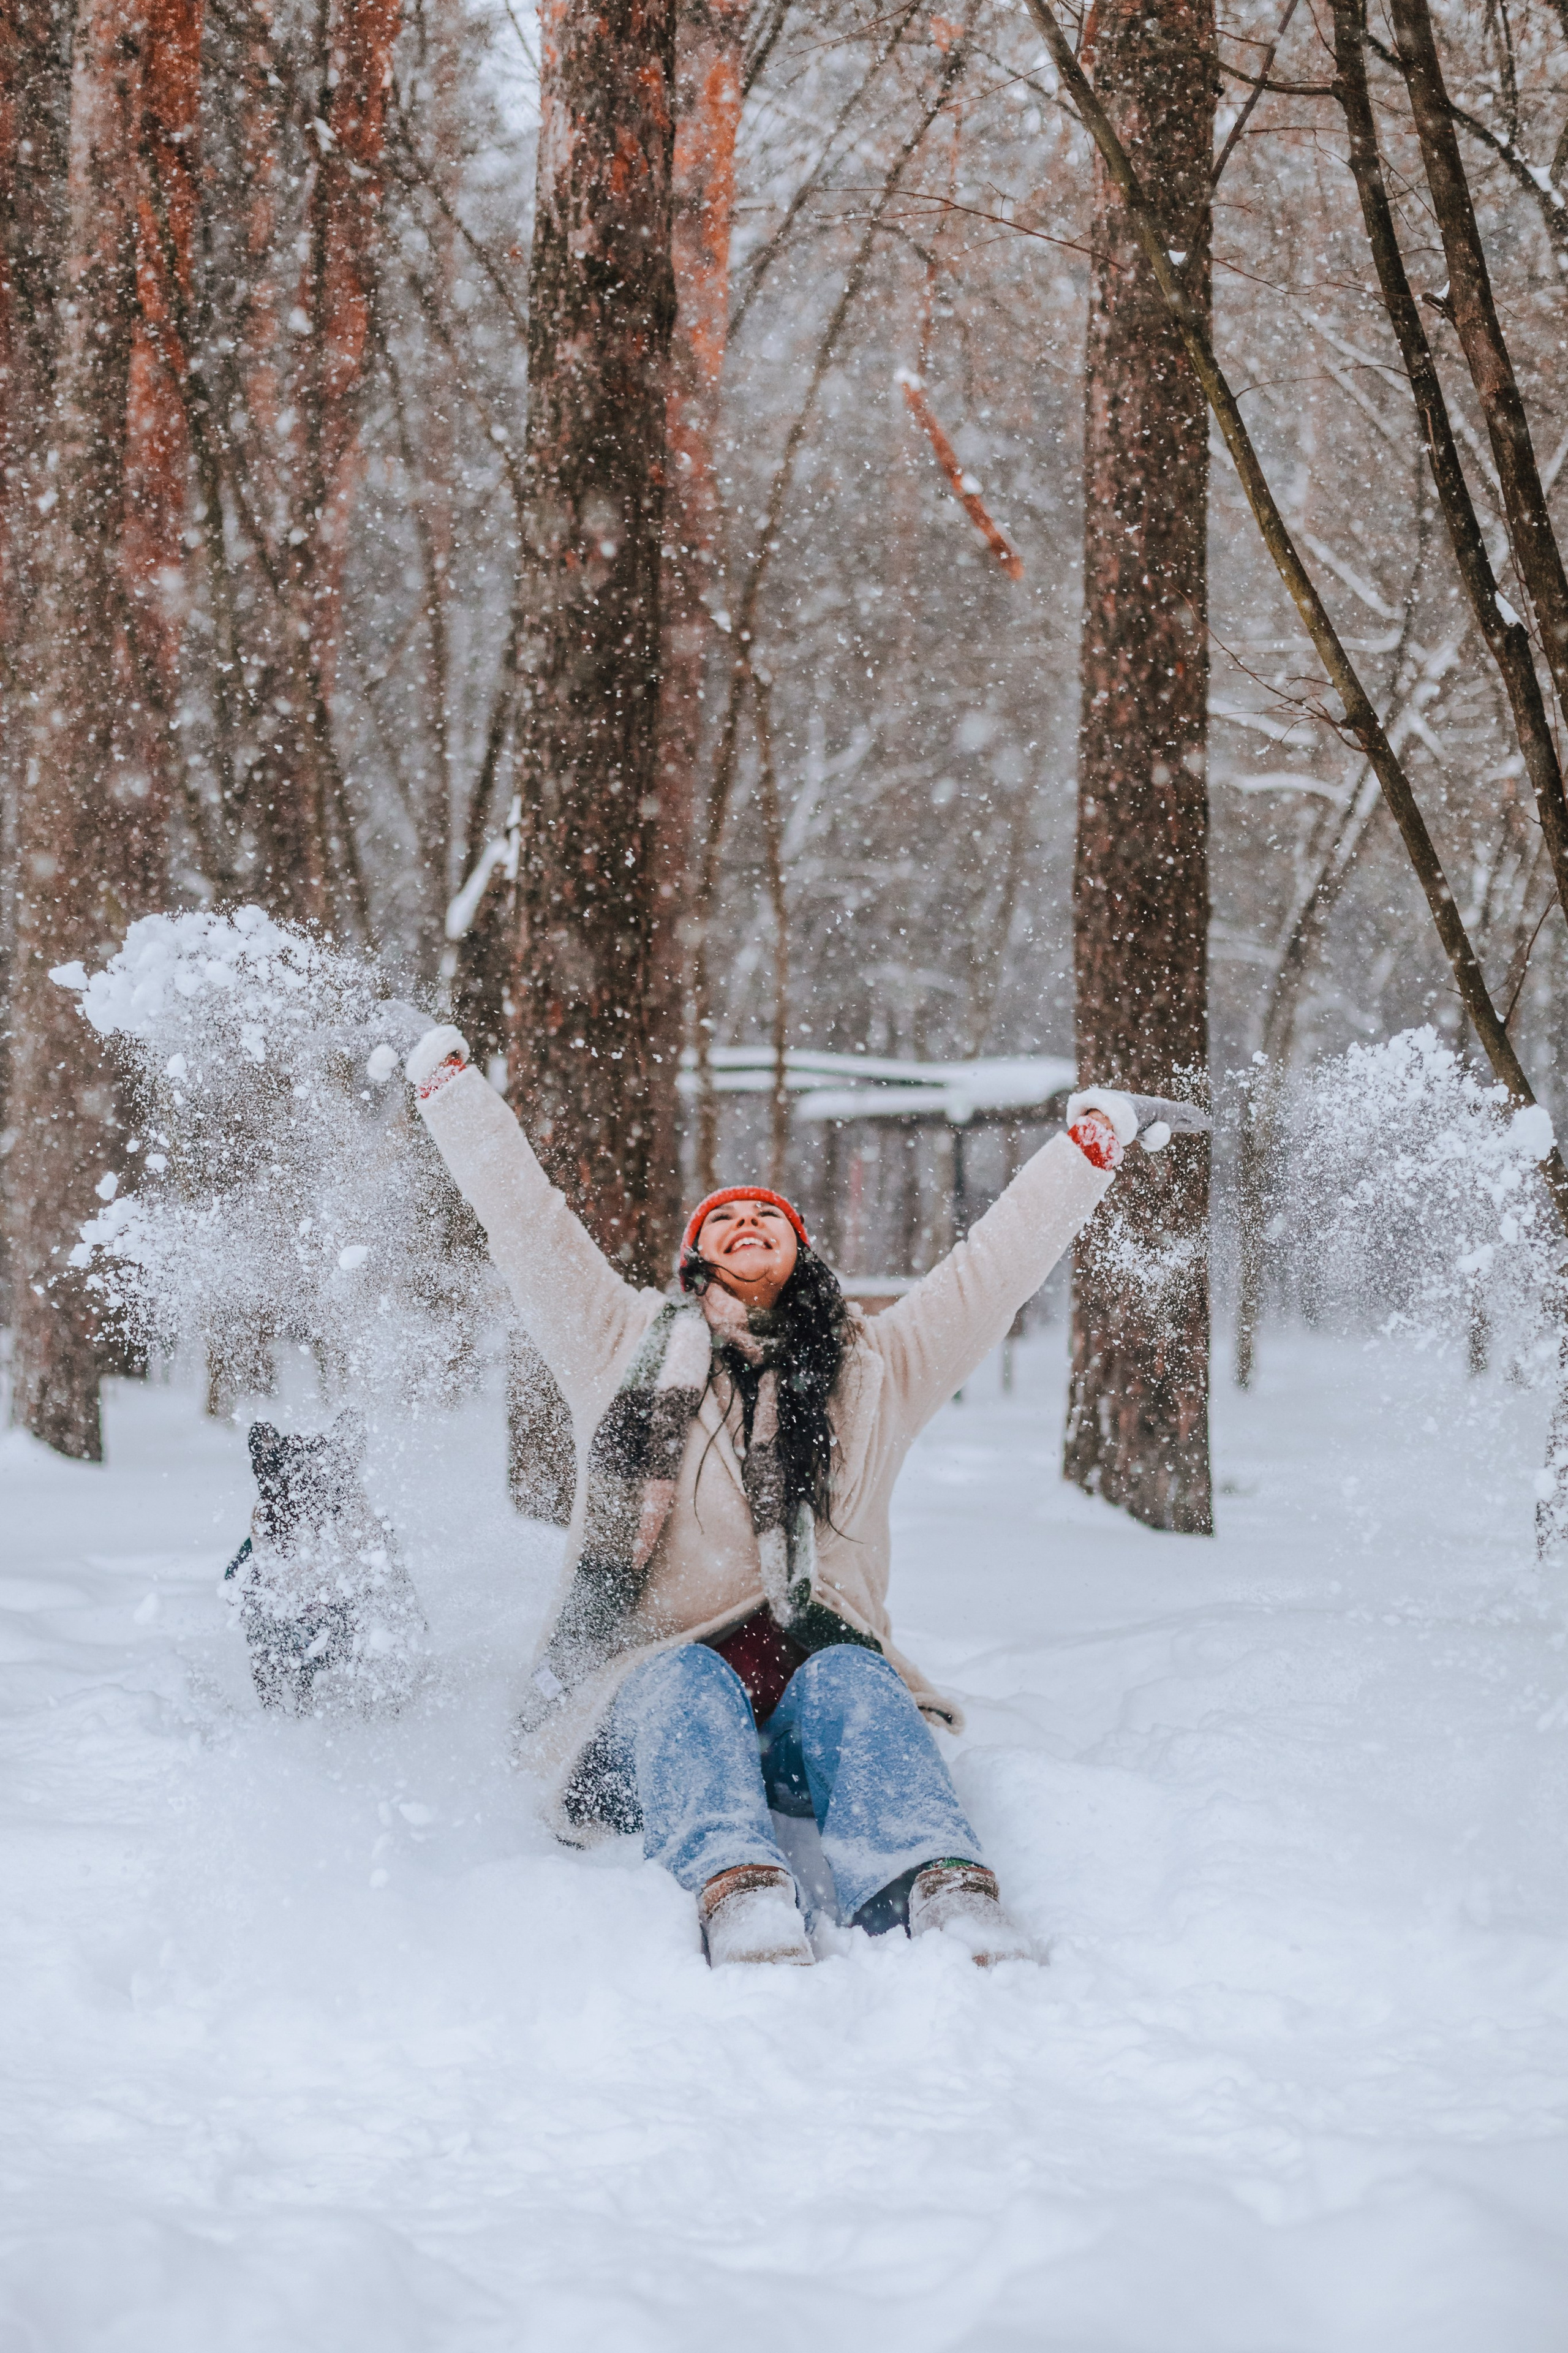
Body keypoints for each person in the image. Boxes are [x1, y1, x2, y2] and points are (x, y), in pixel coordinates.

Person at [405, 1023, 1150, 1968]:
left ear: (801, 1250)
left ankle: (943, 1885)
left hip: (811, 1715)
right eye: (724, 1218)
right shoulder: (621, 1346)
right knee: (686, 1677)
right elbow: (530, 1226)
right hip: (654, 1720)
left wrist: (1084, 1154)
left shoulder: (875, 1368)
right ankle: (740, 1889)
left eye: (770, 1217)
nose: (748, 1221)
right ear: (694, 1260)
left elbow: (989, 1271)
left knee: (854, 1676)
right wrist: (454, 1095)